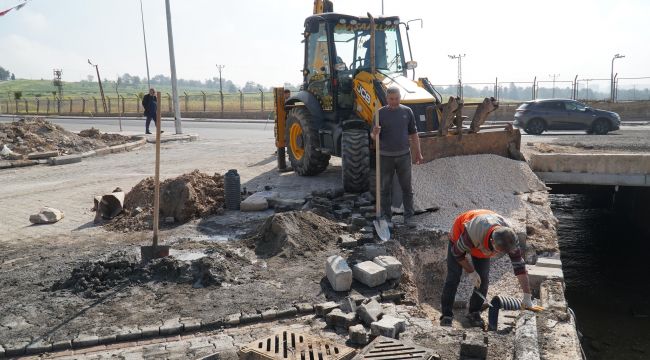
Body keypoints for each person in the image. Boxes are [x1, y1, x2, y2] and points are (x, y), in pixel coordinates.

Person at [439, 209, 541, 328]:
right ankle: (446, 315)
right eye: (500, 251)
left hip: (482, 242)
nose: (503, 253)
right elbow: (457, 254)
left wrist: (527, 296)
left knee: (483, 279)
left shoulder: (510, 238)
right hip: (462, 233)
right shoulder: (471, 233)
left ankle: (474, 312)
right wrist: (471, 272)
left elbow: (519, 267)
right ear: (492, 241)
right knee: (453, 277)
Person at [370, 86, 423, 226]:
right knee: (384, 188)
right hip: (385, 157)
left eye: (397, 99)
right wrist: (375, 133)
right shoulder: (379, 114)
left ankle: (409, 216)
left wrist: (418, 152)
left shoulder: (407, 112)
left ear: (400, 97)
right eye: (391, 99)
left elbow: (413, 134)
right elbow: (373, 137)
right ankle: (387, 217)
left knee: (407, 188)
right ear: (386, 99)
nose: (394, 102)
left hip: (404, 156)